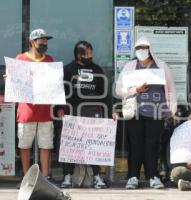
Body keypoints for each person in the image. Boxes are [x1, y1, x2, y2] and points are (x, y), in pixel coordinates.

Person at [115, 37, 177, 189]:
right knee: (135, 145)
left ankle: (153, 176)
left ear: (150, 49)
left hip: (156, 112)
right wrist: (136, 90)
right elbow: (118, 90)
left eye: (144, 47)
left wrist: (171, 110)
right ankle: (132, 177)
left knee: (152, 145)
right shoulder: (130, 66)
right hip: (135, 112)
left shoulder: (160, 66)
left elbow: (170, 89)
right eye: (138, 48)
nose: (141, 51)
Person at [58, 41, 107, 189]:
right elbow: (61, 92)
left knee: (93, 144)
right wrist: (60, 108)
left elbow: (104, 93)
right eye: (86, 54)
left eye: (91, 53)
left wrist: (108, 111)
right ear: (79, 55)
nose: (89, 56)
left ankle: (97, 176)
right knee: (69, 144)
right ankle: (68, 175)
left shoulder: (97, 69)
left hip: (92, 113)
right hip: (72, 111)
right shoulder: (68, 70)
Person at [16, 29, 54, 183]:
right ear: (32, 42)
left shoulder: (50, 60)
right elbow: (15, 82)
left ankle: (45, 177)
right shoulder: (20, 59)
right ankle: (26, 177)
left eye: (46, 41)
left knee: (46, 145)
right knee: (24, 145)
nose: (44, 43)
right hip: (27, 111)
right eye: (41, 41)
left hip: (45, 110)